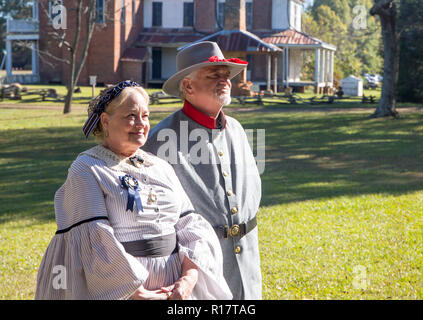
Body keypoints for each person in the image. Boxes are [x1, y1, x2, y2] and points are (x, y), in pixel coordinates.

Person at [35, 80, 232, 300]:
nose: (140, 123)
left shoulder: (160, 167)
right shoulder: (87, 168)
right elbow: (95, 240)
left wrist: (187, 280)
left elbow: (190, 225)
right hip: (122, 292)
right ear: (106, 121)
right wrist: (138, 293)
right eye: (131, 116)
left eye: (145, 116)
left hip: (176, 291)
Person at [143, 41, 262, 299]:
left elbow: (252, 193)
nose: (225, 80)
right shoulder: (159, 139)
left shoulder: (238, 130)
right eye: (214, 75)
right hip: (198, 268)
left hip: (248, 261)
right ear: (187, 86)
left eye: (226, 75)